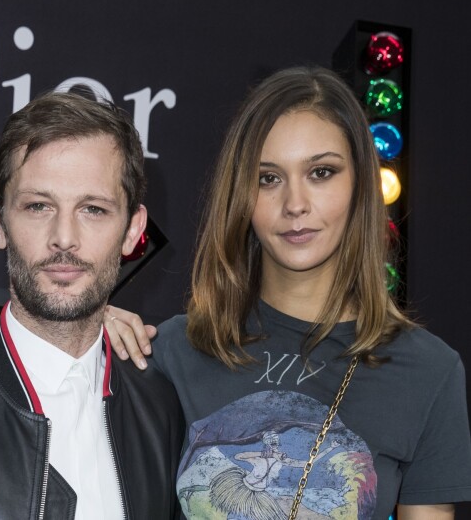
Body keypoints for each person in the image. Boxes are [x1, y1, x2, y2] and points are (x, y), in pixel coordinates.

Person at [105, 66, 471, 519]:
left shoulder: (427, 372)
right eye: (268, 178)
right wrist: (81, 343)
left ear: (360, 185)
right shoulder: (174, 351)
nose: (295, 204)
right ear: (241, 195)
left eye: (321, 172)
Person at [0, 91, 184, 519]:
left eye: (93, 209)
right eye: (39, 206)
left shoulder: (161, 407)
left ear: (132, 231)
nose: (64, 237)